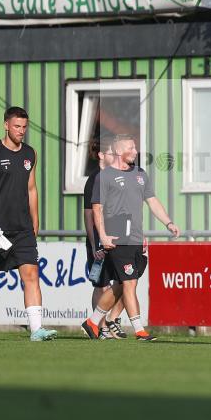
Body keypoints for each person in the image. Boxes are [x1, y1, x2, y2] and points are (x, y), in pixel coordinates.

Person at [81, 134, 180, 341]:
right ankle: (139, 329)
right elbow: (96, 209)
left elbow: (152, 201)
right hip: (117, 235)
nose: (135, 151)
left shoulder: (140, 174)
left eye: (135, 148)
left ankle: (92, 321)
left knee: (121, 283)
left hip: (136, 237)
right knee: (129, 282)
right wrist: (103, 236)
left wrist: (168, 222)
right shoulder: (104, 176)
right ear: (118, 151)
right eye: (131, 148)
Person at [0, 106, 57, 342]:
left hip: (23, 229)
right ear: (6, 125)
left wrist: (35, 220)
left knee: (31, 274)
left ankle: (36, 330)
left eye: (24, 127)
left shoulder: (30, 153)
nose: (21, 131)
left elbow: (31, 188)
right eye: (17, 126)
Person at [82, 137, 126, 340]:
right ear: (100, 155)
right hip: (99, 240)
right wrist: (93, 244)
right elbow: (89, 214)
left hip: (118, 237)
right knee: (101, 284)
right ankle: (98, 327)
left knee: (124, 282)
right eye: (111, 152)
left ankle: (109, 321)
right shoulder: (95, 179)